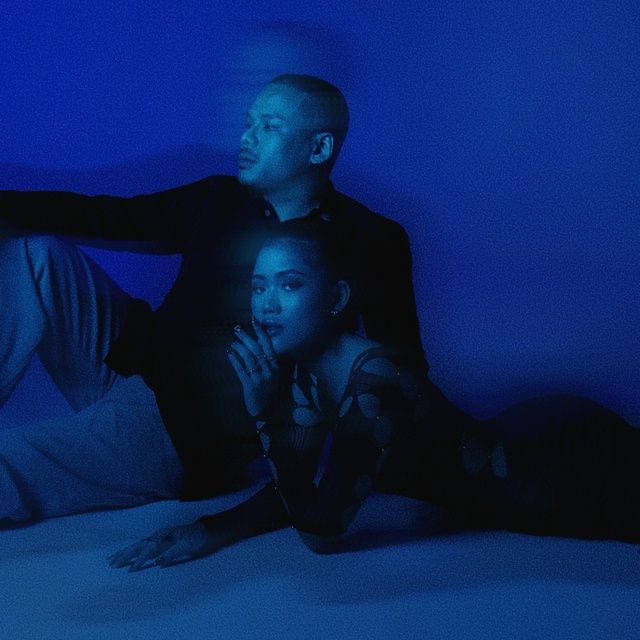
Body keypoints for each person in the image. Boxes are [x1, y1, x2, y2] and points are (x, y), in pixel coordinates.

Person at [0, 74, 426, 523]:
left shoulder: (369, 239)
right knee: (33, 251)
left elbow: (401, 370)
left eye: (269, 126)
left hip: (176, 431)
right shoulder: (218, 199)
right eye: (248, 123)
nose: (247, 138)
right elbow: (105, 215)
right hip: (130, 366)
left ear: (318, 149)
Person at [108, 218, 640, 571]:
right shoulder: (305, 368)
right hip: (528, 431)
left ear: (337, 296)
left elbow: (322, 532)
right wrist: (209, 531)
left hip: (561, 473)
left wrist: (265, 412)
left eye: (289, 284)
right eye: (258, 285)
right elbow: (301, 487)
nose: (266, 303)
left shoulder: (376, 381)